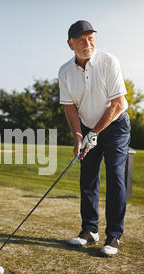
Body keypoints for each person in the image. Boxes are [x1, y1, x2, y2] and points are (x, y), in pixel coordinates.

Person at [58, 20, 131, 257]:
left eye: (90, 38)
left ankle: (114, 236)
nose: (87, 43)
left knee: (115, 176)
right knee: (88, 177)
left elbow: (117, 103)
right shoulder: (65, 71)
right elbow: (70, 108)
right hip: (88, 127)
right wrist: (79, 136)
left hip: (116, 126)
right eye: (81, 40)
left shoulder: (109, 62)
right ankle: (89, 231)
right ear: (71, 45)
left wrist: (94, 134)